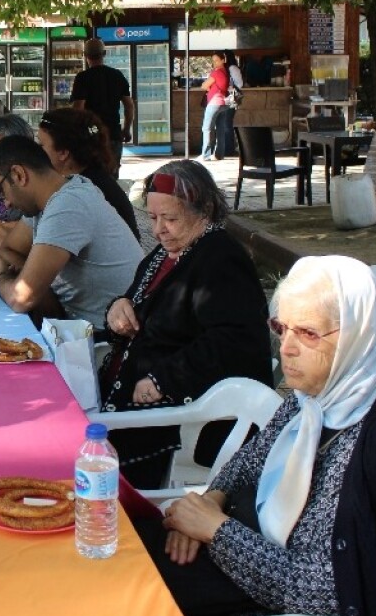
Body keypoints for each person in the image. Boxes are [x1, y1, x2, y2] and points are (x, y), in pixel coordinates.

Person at [144, 255, 376, 616]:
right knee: (127, 556)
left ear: (358, 336)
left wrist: (215, 531)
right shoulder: (313, 397)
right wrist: (210, 503)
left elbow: (320, 592)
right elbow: (249, 461)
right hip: (245, 571)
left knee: (138, 609)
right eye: (280, 327)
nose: (286, 349)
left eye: (307, 333)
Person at [100, 160, 272, 487]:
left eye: (170, 218)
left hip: (175, 414)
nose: (158, 230)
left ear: (204, 210)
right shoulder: (166, 253)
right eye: (152, 218)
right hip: (125, 394)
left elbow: (235, 342)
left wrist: (164, 378)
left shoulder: (220, 259)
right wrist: (116, 309)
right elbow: (137, 304)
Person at [0, 136, 142, 326]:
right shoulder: (49, 197)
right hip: (76, 326)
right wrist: (30, 276)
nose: (5, 203)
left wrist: (1, 276)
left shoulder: (68, 205)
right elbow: (10, 249)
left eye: (0, 191)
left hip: (107, 340)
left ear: (18, 175)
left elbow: (21, 298)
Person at [36, 108, 139, 239]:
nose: (36, 150)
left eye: (41, 144)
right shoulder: (93, 177)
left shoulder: (82, 190)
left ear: (63, 153)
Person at [70, 37, 133, 175]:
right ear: (104, 54)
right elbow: (129, 106)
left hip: (93, 133)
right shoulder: (117, 75)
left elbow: (78, 108)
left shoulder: (83, 78)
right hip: (113, 133)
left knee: (93, 176)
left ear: (85, 55)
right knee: (112, 175)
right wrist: (126, 129)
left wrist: (76, 132)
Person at [199, 51, 230, 161]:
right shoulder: (226, 72)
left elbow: (204, 85)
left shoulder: (216, 73)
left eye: (217, 60)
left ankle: (205, 155)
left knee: (207, 128)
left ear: (223, 60)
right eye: (213, 61)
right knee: (220, 129)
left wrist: (208, 87)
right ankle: (219, 155)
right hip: (224, 103)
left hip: (214, 102)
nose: (215, 63)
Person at [214, 50, 243, 158]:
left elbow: (239, 84)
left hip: (229, 99)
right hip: (222, 99)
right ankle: (225, 148)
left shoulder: (232, 68)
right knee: (224, 123)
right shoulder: (222, 69)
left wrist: (227, 87)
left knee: (226, 123)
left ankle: (229, 149)